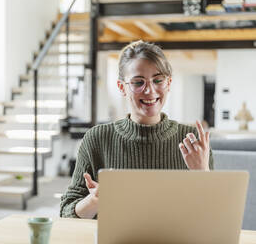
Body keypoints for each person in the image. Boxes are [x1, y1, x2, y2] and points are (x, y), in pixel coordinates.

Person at [60, 40, 214, 219]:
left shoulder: (193, 139)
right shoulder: (97, 138)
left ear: (168, 83)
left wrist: (203, 174)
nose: (149, 90)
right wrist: (94, 201)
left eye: (158, 80)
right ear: (121, 87)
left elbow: (211, 216)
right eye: (138, 82)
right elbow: (66, 213)